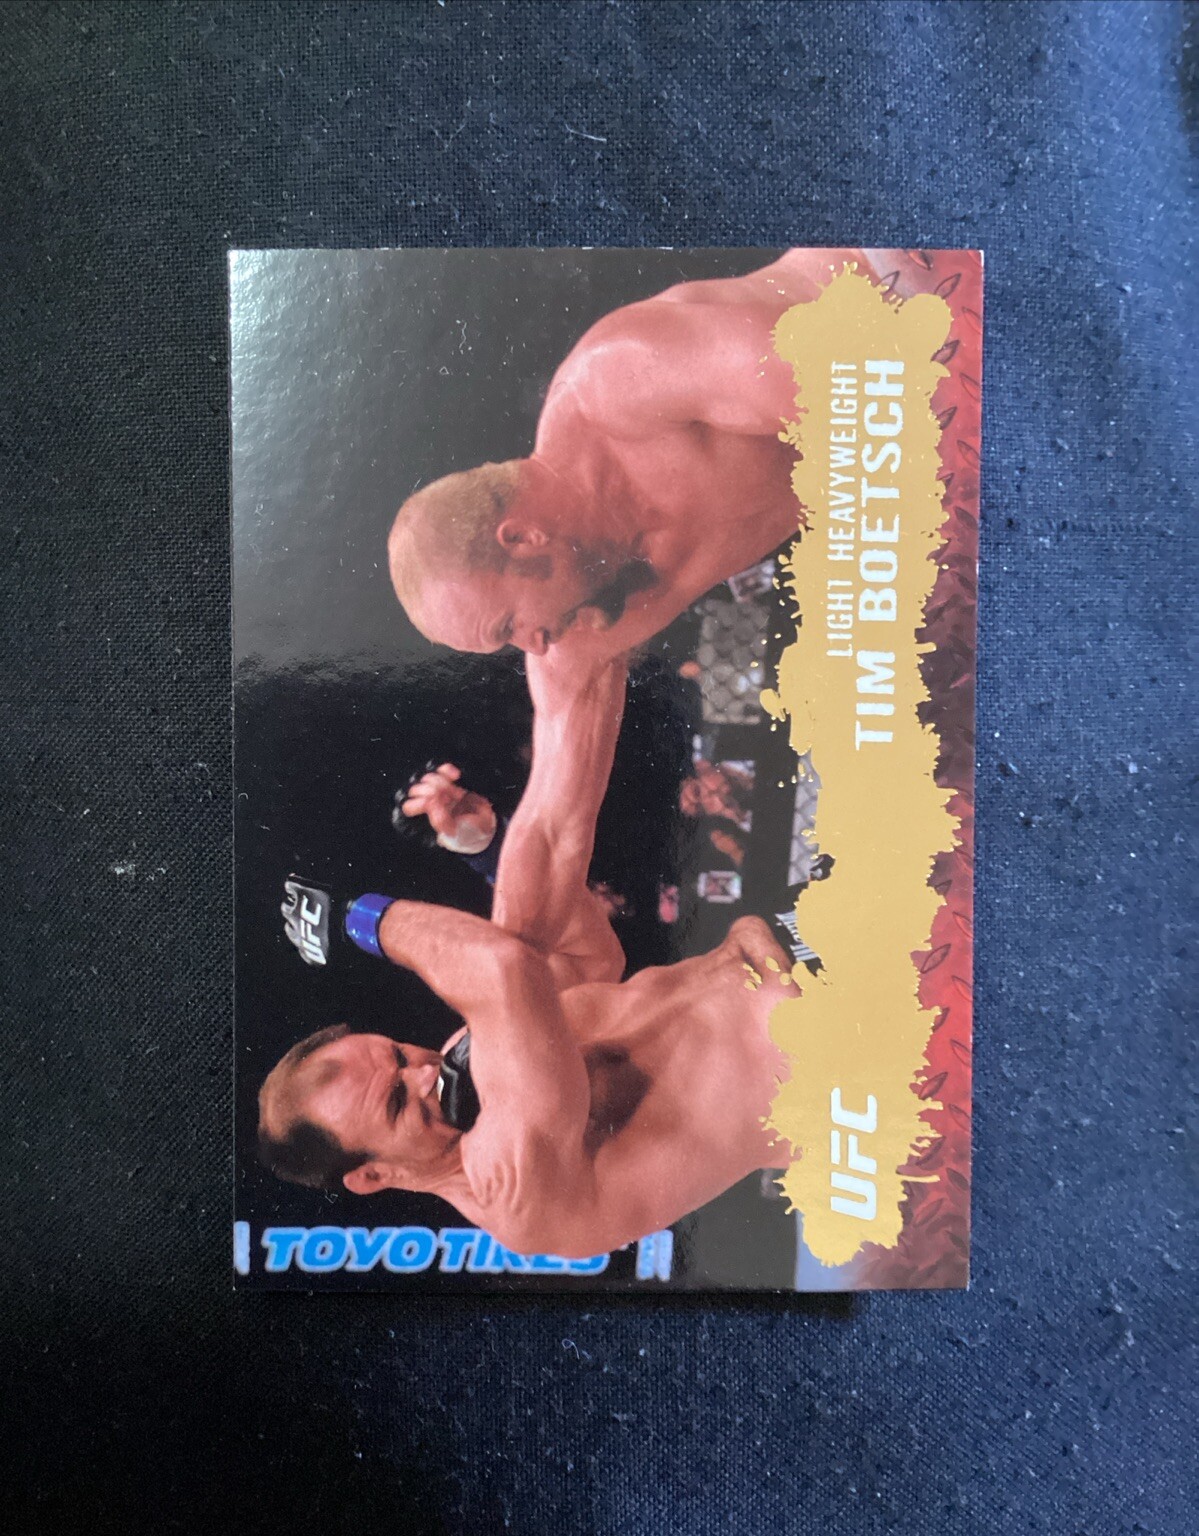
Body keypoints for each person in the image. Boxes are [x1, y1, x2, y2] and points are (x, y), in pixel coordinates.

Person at [258, 652, 799, 1257]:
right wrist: (353, 920)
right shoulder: (514, 1191)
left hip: (794, 938)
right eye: (395, 1101)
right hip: (843, 1052)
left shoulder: (462, 1057)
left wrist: (487, 848)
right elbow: (504, 967)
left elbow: (586, 963)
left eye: (398, 1056)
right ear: (374, 1174)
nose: (424, 1073)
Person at [387, 247, 924, 662]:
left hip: (901, 285)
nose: (535, 647)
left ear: (523, 538)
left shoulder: (615, 386)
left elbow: (861, 377)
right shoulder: (590, 616)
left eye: (508, 628)